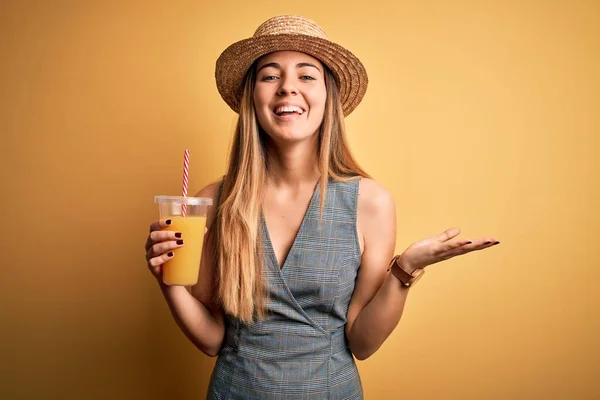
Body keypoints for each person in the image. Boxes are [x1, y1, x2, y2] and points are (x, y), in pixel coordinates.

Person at [144, 15, 499, 399]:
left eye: (306, 76)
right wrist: (169, 283)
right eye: (270, 76)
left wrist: (405, 268)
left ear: (328, 96)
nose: (287, 89)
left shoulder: (370, 202)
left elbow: (362, 343)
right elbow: (213, 339)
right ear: (252, 97)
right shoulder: (215, 201)